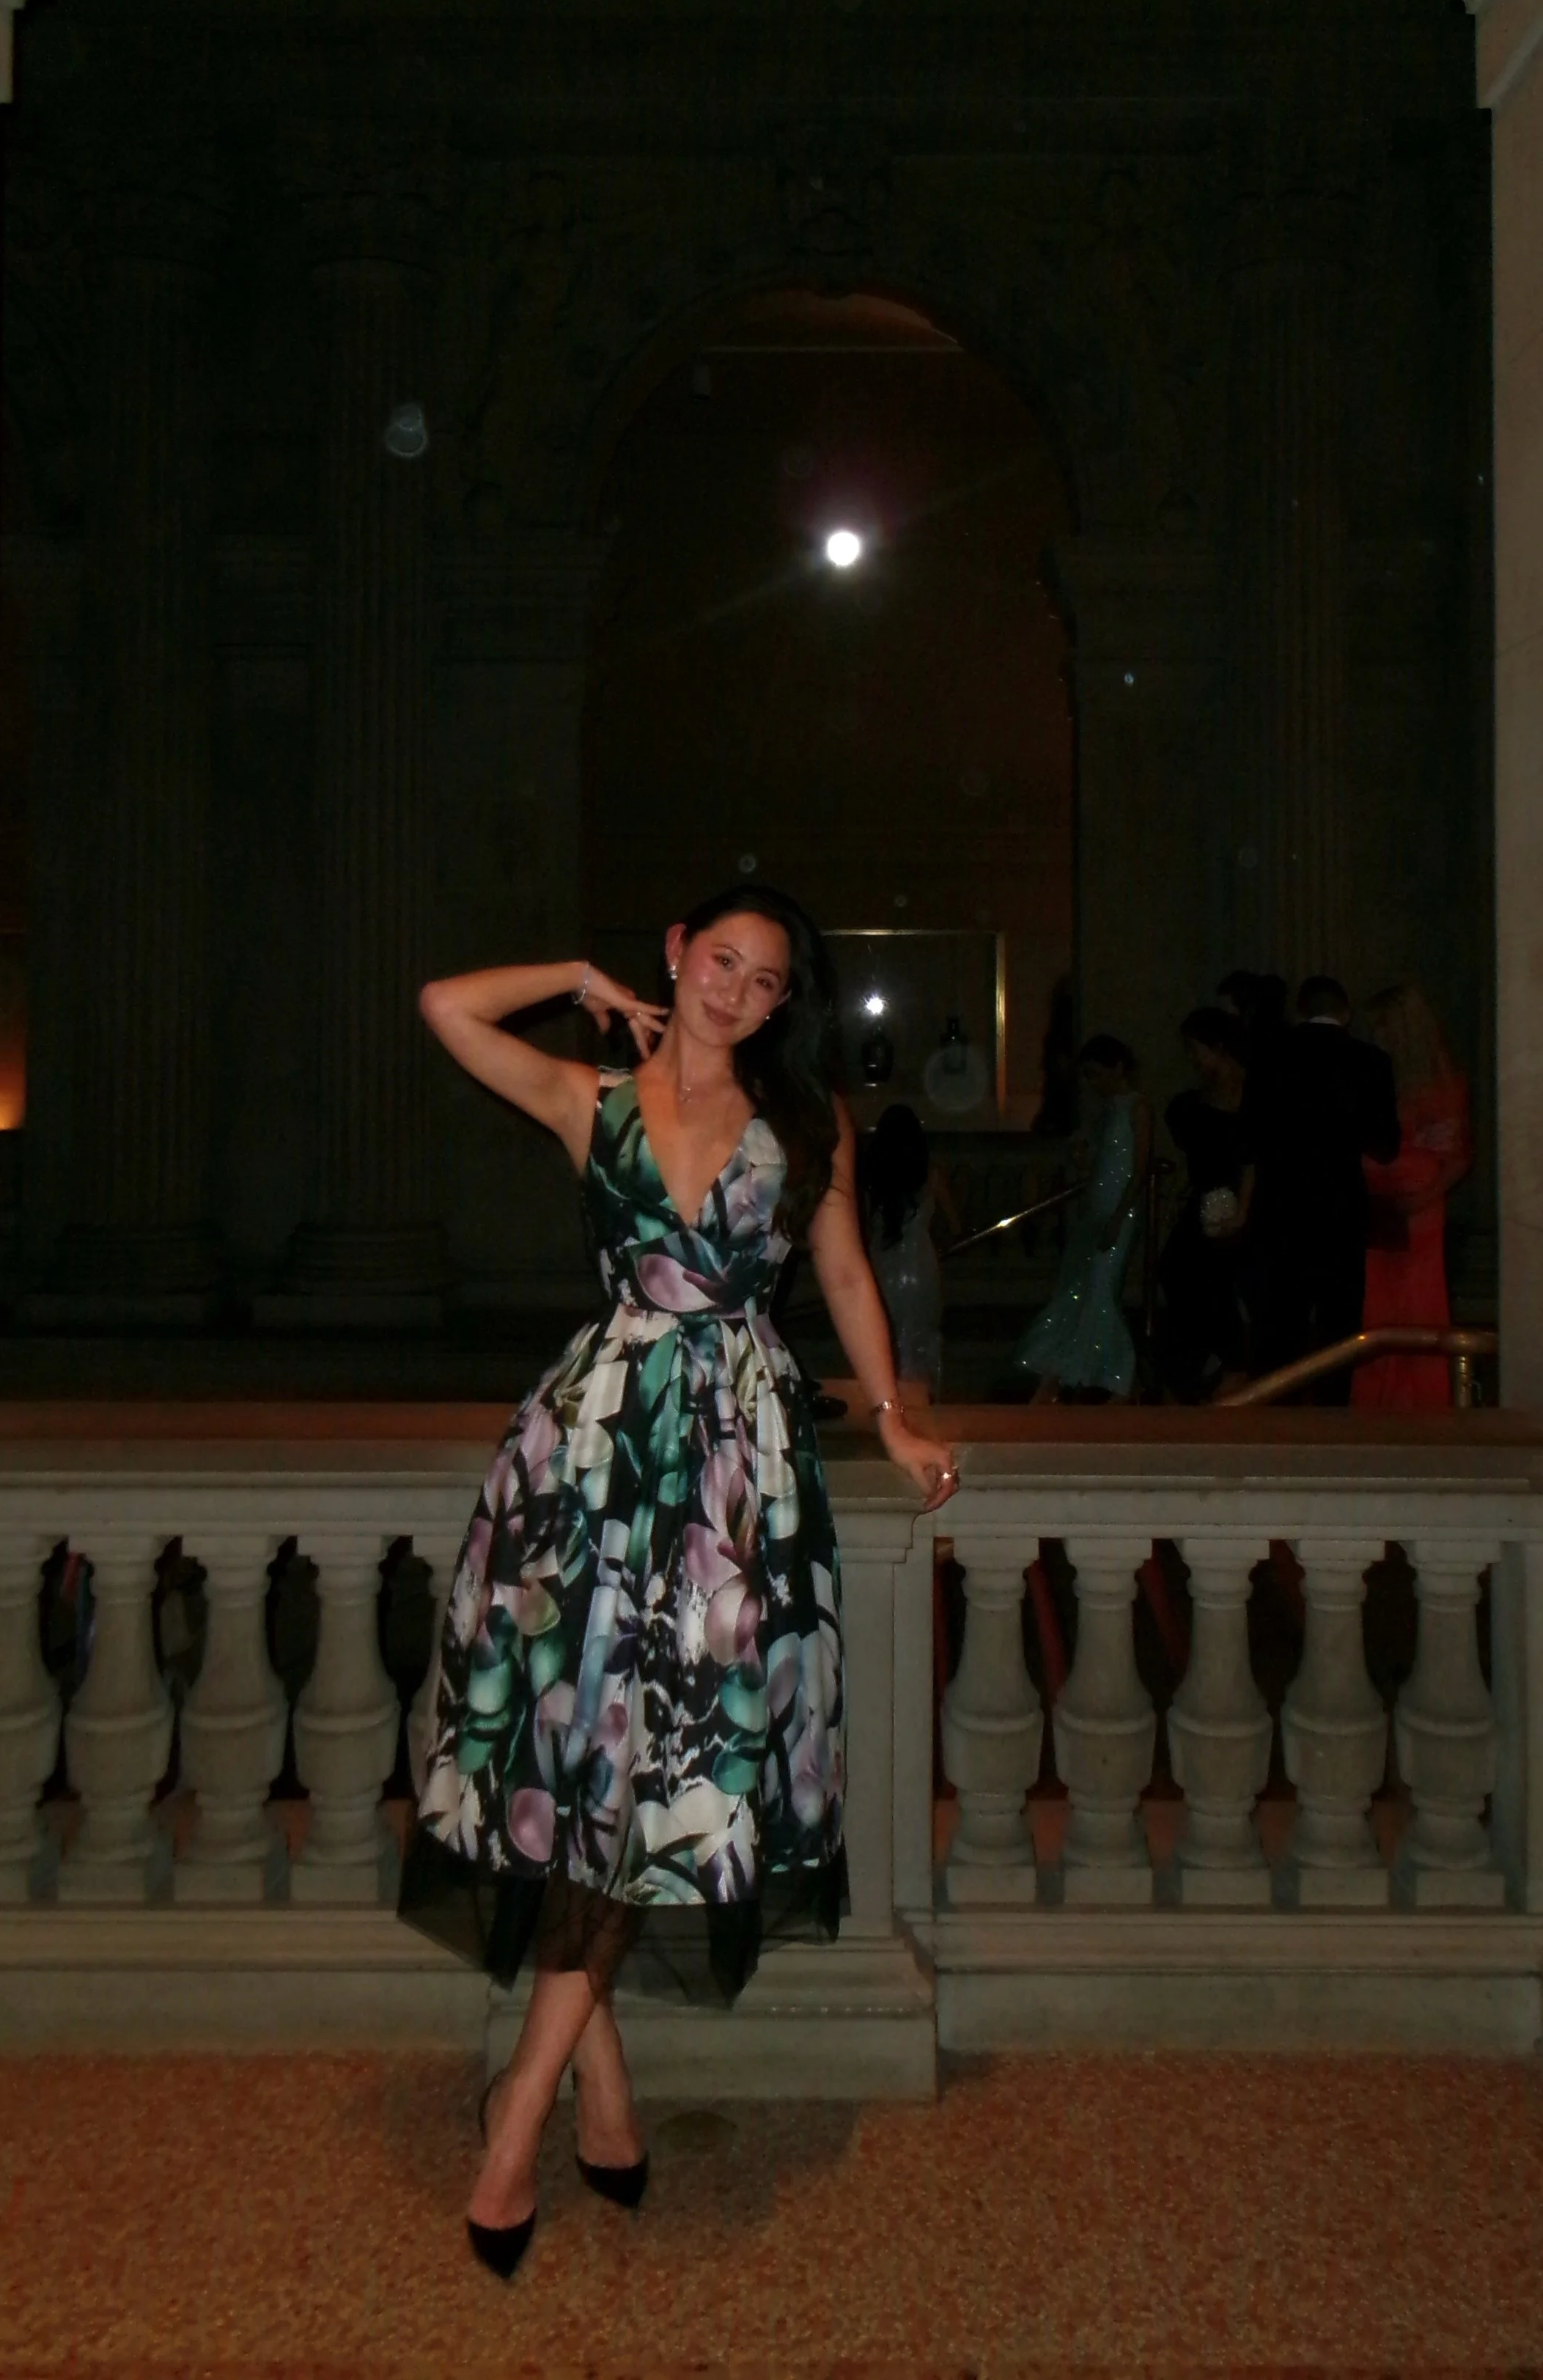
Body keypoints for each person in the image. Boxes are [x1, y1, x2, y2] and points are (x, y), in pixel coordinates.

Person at [400, 883, 958, 2277]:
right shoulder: (594, 1094)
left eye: (768, 980)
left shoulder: (799, 1118)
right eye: (722, 961)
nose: (740, 992)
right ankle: (594, 2091)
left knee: (663, 1777)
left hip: (730, 1481)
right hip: (587, 1458)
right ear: (675, 956)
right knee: (579, 1767)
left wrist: (890, 1409)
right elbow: (444, 1008)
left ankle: (520, 2113)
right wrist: (574, 970)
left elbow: (836, 1270)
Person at [1245, 974, 1401, 1399]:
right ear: (1345, 1012)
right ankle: (1332, 1418)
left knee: (1277, 1320)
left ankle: (1274, 1413)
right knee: (1339, 1322)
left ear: (1301, 1011)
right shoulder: (1370, 1062)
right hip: (1339, 1207)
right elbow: (1386, 1144)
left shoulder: (1269, 1056)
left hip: (1279, 1206)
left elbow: (1250, 1134)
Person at [1352, 983, 1472, 1410]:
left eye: (1383, 1027)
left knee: (1414, 1302)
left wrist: (1423, 1198)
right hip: (1380, 1198)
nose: (1376, 1036)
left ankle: (1415, 1399)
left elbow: (1456, 1157)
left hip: (1416, 1200)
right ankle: (1380, 1396)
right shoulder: (1384, 1075)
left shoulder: (1439, 1082)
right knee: (1378, 1302)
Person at [1016, 1034, 1152, 1402]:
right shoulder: (1108, 1110)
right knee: (1081, 1289)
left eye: (1096, 1074)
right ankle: (1078, 1376)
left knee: (1101, 1292)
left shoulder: (1136, 1108)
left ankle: (1116, 1379)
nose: (1092, 1084)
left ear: (1117, 1069)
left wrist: (1120, 1216)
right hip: (1096, 1206)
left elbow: (1138, 1169)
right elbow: (1101, 1162)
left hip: (1118, 1207)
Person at [1157, 1006, 1253, 1397]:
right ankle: (1204, 1363)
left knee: (1211, 1281)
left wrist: (1243, 1210)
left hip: (1234, 1204)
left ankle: (1235, 1361)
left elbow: (1252, 1159)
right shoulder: (1192, 1105)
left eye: (1198, 1050)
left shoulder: (1252, 1096)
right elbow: (1190, 1157)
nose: (1194, 1060)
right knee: (1177, 1270)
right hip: (1202, 1199)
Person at [862, 1103, 959, 1398]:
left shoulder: (872, 1177)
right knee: (921, 1337)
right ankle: (922, 1399)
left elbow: (864, 1228)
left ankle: (888, 1399)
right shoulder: (930, 1173)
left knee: (885, 1337)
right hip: (920, 1262)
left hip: (883, 1263)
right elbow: (955, 1224)